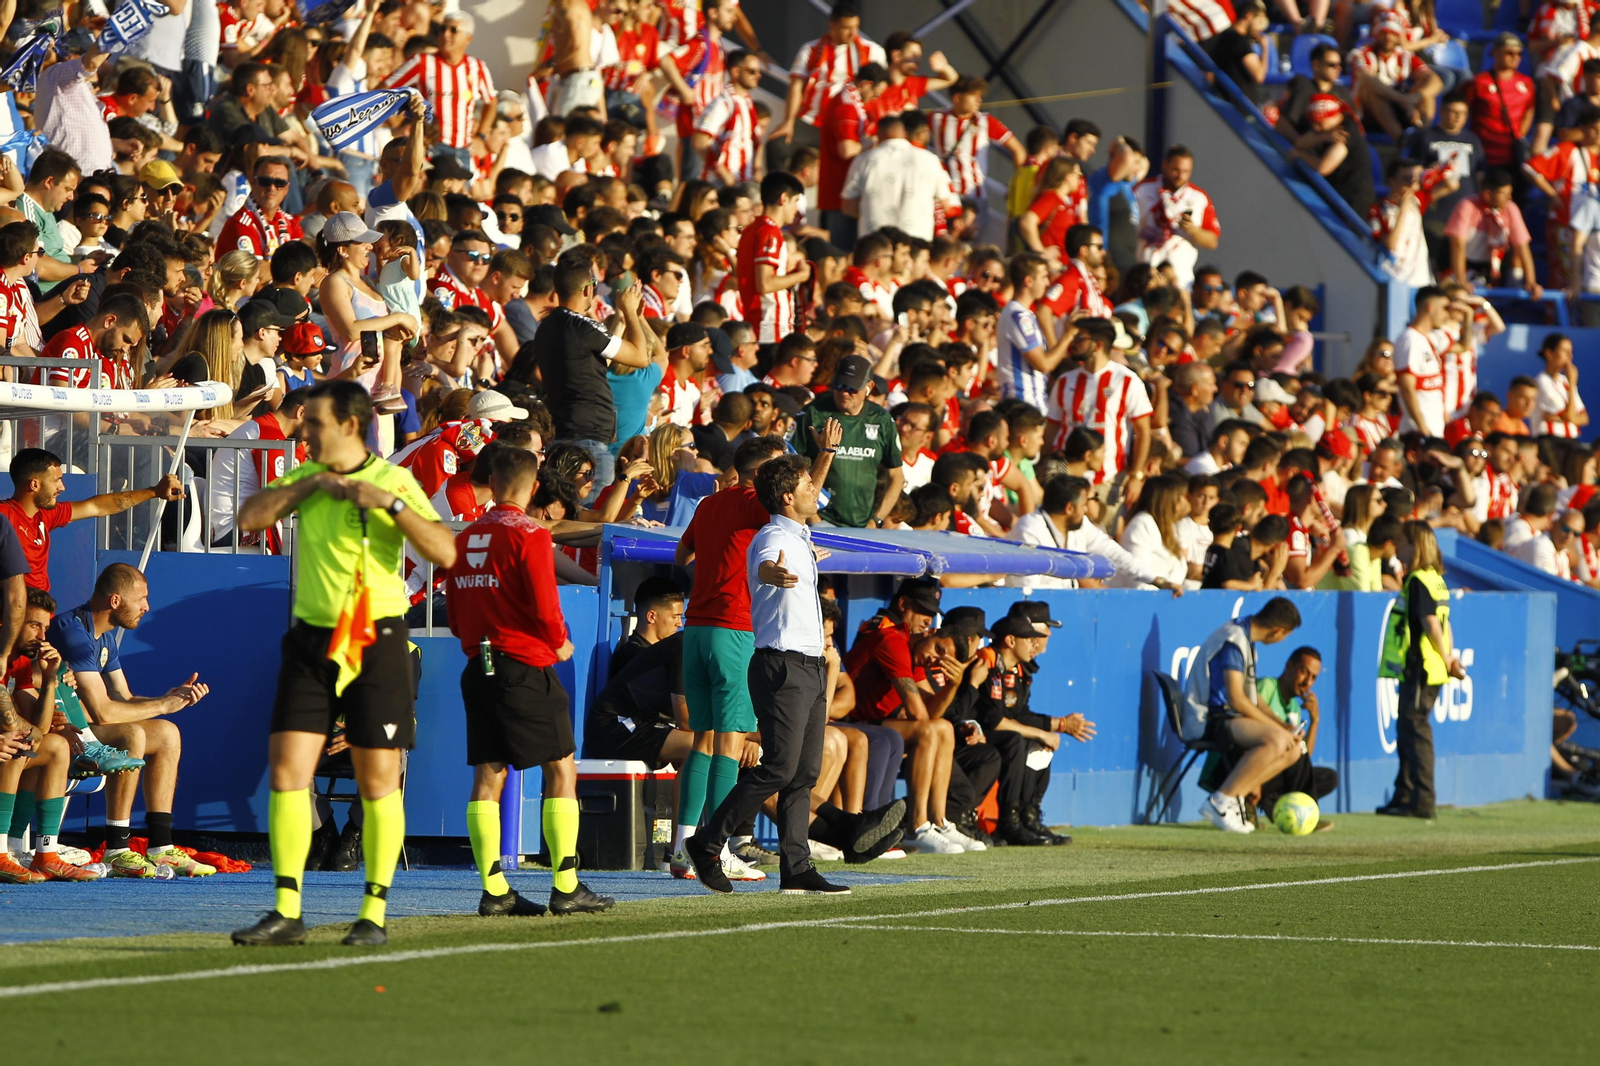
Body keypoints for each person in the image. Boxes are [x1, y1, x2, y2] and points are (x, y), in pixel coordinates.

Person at [231, 381, 458, 948]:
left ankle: (373, 914)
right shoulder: (305, 476)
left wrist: (394, 507)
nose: (304, 433)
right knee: (287, 772)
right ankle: (287, 910)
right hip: (310, 639)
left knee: (378, 780)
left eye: (316, 424)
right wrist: (307, 483)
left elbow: (444, 552)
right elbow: (249, 517)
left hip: (375, 641)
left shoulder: (393, 480)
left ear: (351, 426)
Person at [446, 447, 614, 917]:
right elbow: (544, 602)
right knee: (561, 768)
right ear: (534, 484)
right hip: (522, 665)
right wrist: (559, 641)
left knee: (488, 775)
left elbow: (456, 613)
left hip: (478, 666)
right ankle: (566, 885)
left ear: (493, 482)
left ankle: (494, 890)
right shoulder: (531, 535)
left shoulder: (467, 534)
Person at [686, 455, 851, 895]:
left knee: (803, 772)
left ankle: (796, 867)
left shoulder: (799, 535)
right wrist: (772, 573)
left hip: (809, 664)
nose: (816, 489)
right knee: (779, 767)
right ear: (787, 496)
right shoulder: (771, 536)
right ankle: (706, 842)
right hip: (782, 664)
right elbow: (762, 564)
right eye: (808, 485)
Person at [669, 436, 789, 879]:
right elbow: (799, 508)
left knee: (703, 739)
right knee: (730, 742)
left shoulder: (708, 504)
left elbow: (682, 554)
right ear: (761, 474)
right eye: (781, 468)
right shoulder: (754, 503)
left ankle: (683, 847)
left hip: (697, 629)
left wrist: (713, 579)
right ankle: (714, 850)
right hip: (733, 630)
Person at [50, 563, 214, 876]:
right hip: (61, 731)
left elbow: (124, 697)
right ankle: (116, 847)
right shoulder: (74, 633)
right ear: (115, 602)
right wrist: (162, 705)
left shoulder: (106, 637)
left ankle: (162, 847)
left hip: (88, 727)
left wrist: (169, 699)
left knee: (167, 733)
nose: (147, 606)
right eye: (141, 599)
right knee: (133, 735)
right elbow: (103, 711)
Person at [507, 261, 651, 497]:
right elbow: (641, 356)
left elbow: (599, 361)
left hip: (564, 436)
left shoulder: (547, 326)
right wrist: (632, 314)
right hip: (589, 443)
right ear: (588, 289)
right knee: (589, 525)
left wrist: (622, 321)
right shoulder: (582, 325)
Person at [1181, 596, 1305, 833]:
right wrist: (1279, 731)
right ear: (1278, 631)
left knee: (1293, 750)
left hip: (1226, 717)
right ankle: (1220, 801)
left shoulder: (1246, 639)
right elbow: (1237, 699)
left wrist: (1284, 726)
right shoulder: (1234, 640)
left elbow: (1253, 697)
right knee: (1276, 740)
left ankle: (1235, 797)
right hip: (1206, 719)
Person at [1, 449, 186, 591]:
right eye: (56, 480)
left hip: (40, 620)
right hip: (11, 622)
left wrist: (154, 492)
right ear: (35, 484)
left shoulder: (46, 515)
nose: (62, 487)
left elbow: (97, 506)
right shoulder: (4, 515)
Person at [1378, 521, 1465, 819]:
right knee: (1408, 730)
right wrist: (1450, 659)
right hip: (1431, 667)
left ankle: (1422, 800)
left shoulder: (1417, 579)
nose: (1396, 545)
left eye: (1401, 541)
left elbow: (1430, 624)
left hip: (1423, 667)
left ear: (1415, 546)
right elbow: (1445, 623)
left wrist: (1444, 658)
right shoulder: (1435, 579)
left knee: (1415, 732)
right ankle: (1404, 794)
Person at [795, 353, 900, 528]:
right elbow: (792, 467)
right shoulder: (812, 413)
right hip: (820, 520)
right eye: (839, 385)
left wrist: (877, 519)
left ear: (869, 387)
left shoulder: (881, 419)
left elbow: (896, 476)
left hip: (864, 525)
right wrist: (813, 518)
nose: (844, 392)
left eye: (852, 388)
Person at [1132, 145, 1220, 290]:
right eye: (1176, 170)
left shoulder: (1198, 198)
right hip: (1145, 276)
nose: (1181, 176)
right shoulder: (1142, 189)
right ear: (1164, 165)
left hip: (1180, 281)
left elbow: (1212, 241)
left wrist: (1193, 230)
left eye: (1186, 171)